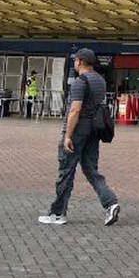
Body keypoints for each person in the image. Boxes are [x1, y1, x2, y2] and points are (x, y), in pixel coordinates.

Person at [38, 48, 120, 226]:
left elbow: (75, 110)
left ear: (80, 61)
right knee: (91, 169)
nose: (74, 63)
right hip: (94, 130)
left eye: (75, 60)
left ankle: (58, 213)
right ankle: (110, 203)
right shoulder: (100, 80)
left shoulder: (80, 82)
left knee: (66, 170)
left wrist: (68, 136)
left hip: (78, 129)